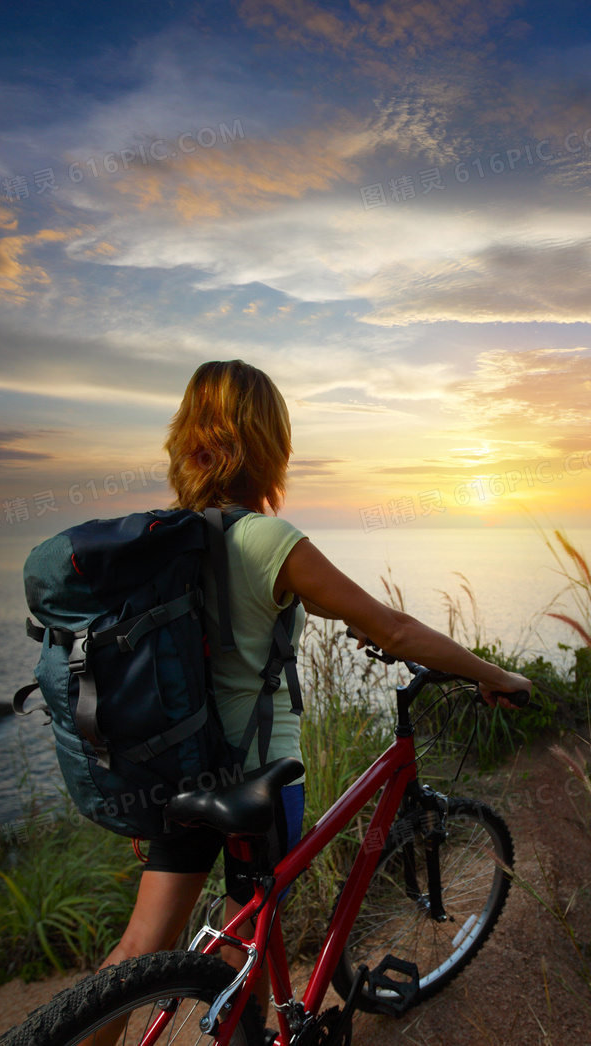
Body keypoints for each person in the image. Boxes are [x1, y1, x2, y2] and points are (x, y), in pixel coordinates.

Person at [97, 359, 532, 1019]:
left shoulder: (166, 540)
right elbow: (394, 627)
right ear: (267, 440)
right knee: (244, 942)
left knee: (138, 948)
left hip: (177, 771)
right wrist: (495, 674)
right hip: (258, 778)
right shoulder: (268, 539)